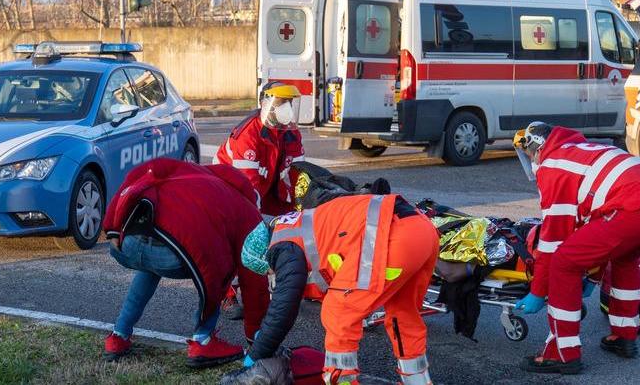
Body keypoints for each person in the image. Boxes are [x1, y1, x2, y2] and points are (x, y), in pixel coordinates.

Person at [512, 122, 640, 374]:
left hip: (638, 206)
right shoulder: (582, 149)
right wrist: (592, 278)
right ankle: (624, 336)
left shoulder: (553, 165)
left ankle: (562, 353)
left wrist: (538, 291)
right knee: (625, 256)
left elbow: (552, 241)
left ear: (537, 148)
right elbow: (598, 233)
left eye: (529, 155)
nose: (531, 162)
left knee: (564, 262)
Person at [224, 193, 440, 385]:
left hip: (389, 236)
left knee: (338, 312)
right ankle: (418, 380)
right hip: (422, 230)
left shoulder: (282, 246)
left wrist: (255, 356)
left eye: (269, 272)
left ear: (265, 258)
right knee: (403, 316)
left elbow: (283, 308)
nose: (272, 275)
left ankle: (343, 380)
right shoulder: (293, 226)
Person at [101, 158, 271, 368]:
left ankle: (118, 335)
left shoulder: (193, 172)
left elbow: (142, 171)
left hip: (128, 243)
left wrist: (112, 225)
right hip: (175, 256)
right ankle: (203, 340)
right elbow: (253, 279)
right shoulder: (247, 210)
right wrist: (255, 334)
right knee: (223, 264)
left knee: (151, 265)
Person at [214, 81, 306, 318]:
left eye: (289, 103)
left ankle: (283, 283)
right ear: (266, 104)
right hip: (231, 190)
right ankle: (227, 293)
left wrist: (300, 210)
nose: (286, 108)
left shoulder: (290, 132)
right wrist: (259, 225)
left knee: (291, 229)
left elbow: (297, 175)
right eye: (281, 102)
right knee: (241, 237)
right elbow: (248, 187)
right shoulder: (247, 135)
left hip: (268, 190)